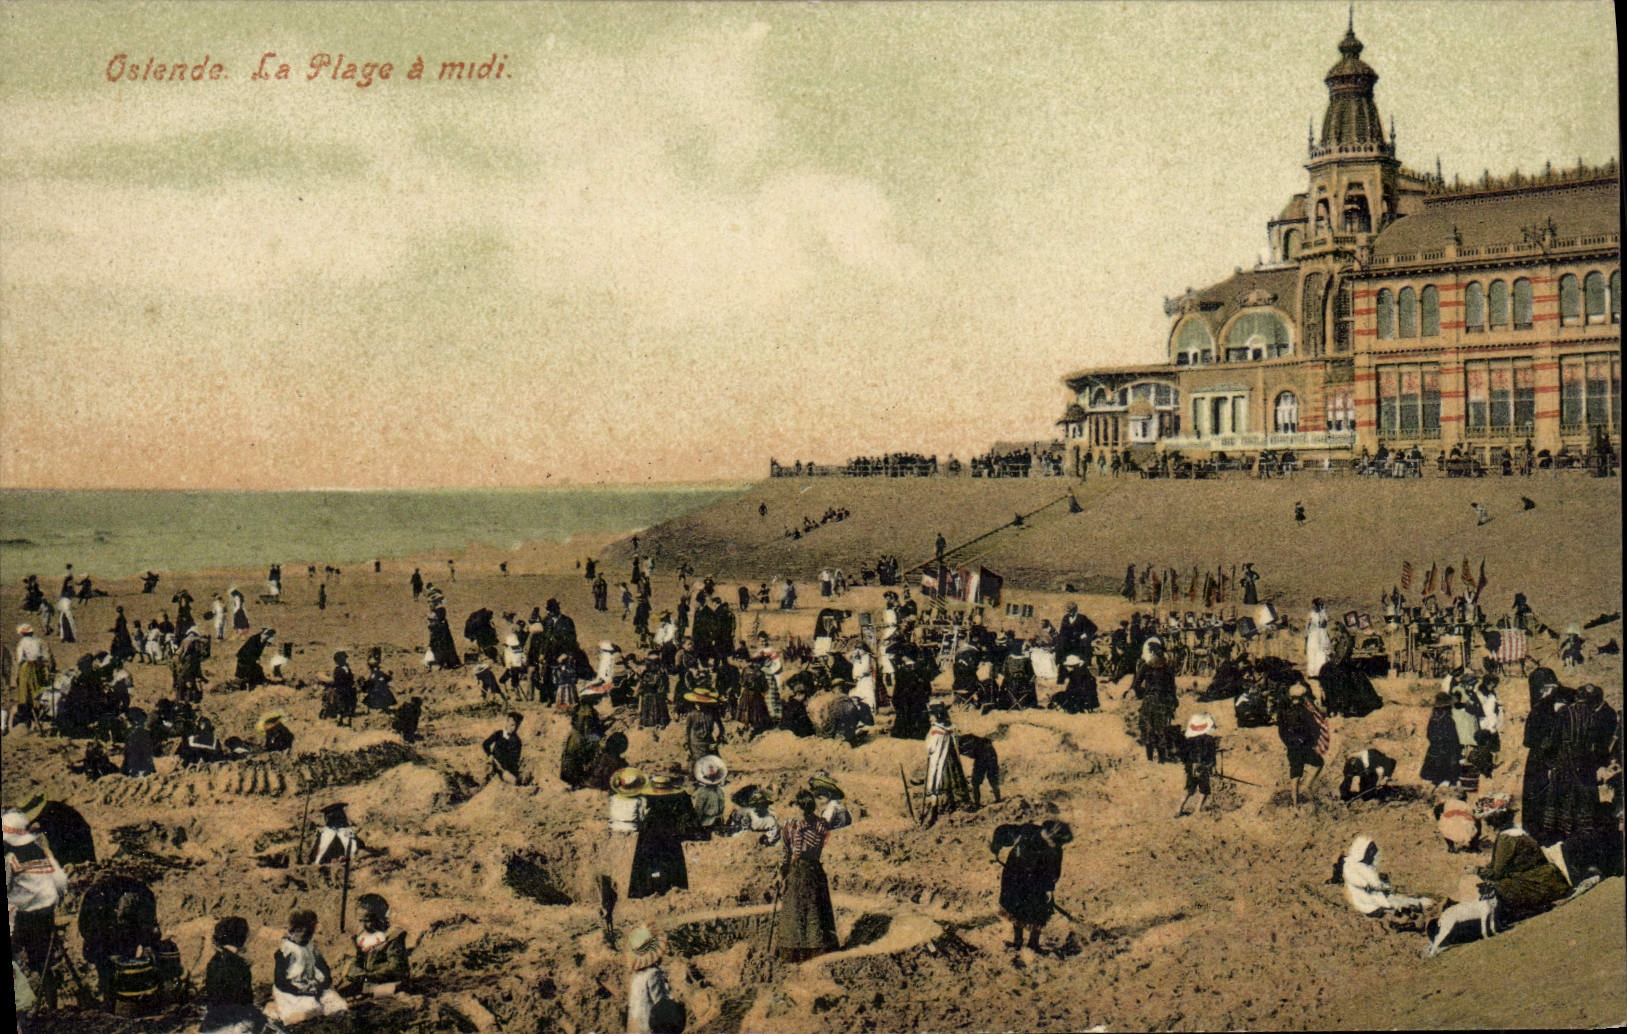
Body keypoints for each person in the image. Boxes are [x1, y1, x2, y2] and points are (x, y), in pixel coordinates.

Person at [5, 808, 69, 1010]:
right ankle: (52, 1006)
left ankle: (25, 1006)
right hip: (45, 917)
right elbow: (61, 883)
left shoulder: (11, 859)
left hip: (22, 919)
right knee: (43, 964)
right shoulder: (43, 853)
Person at [775, 789, 839, 962]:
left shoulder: (816, 825)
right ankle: (798, 953)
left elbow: (792, 851)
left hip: (807, 871)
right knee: (797, 912)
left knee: (811, 912)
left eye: (798, 806)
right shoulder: (793, 825)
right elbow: (787, 851)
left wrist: (785, 869)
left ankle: (813, 953)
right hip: (804, 871)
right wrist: (783, 871)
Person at [990, 820, 1072, 953]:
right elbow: (1003, 831)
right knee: (1017, 909)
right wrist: (996, 846)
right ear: (1051, 835)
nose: (1059, 846)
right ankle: (1018, 941)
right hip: (1015, 878)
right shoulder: (1027, 832)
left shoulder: (1055, 849)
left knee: (1039, 911)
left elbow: (1054, 871)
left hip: (1038, 883)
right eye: (1059, 842)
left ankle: (1033, 944)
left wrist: (1049, 888)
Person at [271, 909, 346, 1024]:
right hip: (292, 990)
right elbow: (280, 981)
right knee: (309, 1009)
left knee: (337, 1004)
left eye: (310, 934)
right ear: (294, 931)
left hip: (312, 987)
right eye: (303, 934)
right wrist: (300, 990)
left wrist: (322, 984)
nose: (307, 937)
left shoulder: (311, 947)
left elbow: (324, 969)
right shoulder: (286, 950)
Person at [628, 774, 693, 899]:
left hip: (651, 828)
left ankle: (646, 888)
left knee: (647, 858)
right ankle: (671, 885)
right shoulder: (673, 799)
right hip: (669, 827)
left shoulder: (650, 800)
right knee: (670, 858)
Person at [1340, 836, 1432, 921]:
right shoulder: (1364, 869)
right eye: (1371, 851)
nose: (1373, 854)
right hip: (1372, 905)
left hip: (1362, 903)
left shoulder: (1349, 864)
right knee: (1403, 901)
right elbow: (1378, 887)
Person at [199, 916, 259, 1034]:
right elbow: (243, 1000)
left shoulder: (215, 960)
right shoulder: (239, 964)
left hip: (211, 1024)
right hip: (230, 1025)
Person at [341, 894, 410, 996]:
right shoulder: (363, 935)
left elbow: (397, 968)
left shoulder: (393, 936)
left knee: (395, 989)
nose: (364, 925)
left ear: (380, 918)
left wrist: (369, 976)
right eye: (361, 921)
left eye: (368, 921)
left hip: (387, 981)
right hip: (368, 981)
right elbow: (357, 960)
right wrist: (355, 971)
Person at [922, 704, 975, 826]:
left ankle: (939, 806)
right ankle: (960, 801)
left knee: (939, 781)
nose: (930, 718)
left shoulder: (935, 731)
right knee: (955, 778)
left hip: (939, 761)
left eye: (932, 715)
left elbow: (930, 747)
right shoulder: (951, 728)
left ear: (937, 716)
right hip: (952, 759)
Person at [1277, 681, 1327, 806]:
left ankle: (1295, 801)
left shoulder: (1283, 712)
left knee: (1295, 773)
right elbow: (1315, 728)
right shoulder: (1305, 711)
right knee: (1318, 763)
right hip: (1304, 746)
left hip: (1293, 747)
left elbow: (1282, 732)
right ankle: (1305, 789)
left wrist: (1289, 742)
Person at [625, 925, 680, 1034]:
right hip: (648, 1026)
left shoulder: (636, 977)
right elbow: (660, 1002)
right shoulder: (653, 974)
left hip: (635, 1026)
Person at [1132, 639, 1178, 763]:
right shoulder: (1167, 667)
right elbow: (1172, 688)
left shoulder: (1146, 666)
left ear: (1151, 652)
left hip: (1149, 701)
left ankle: (1150, 759)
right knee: (1161, 729)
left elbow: (1136, 685)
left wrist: (1143, 694)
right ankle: (1162, 759)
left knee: (1147, 729)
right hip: (1163, 702)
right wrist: (1173, 702)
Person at [1177, 713, 1218, 817]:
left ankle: (1179, 809)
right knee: (1204, 789)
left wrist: (1189, 767)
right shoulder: (1209, 741)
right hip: (1202, 767)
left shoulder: (1189, 741)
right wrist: (1211, 766)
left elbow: (1184, 756)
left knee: (1189, 789)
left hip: (1191, 767)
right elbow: (1210, 756)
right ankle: (1197, 810)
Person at [1420, 691, 1462, 789]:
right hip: (1448, 749)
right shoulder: (1448, 720)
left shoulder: (1433, 719)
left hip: (1435, 748)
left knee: (1435, 768)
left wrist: (1435, 742)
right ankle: (1450, 783)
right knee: (1449, 767)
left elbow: (1429, 734)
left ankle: (1436, 783)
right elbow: (1453, 736)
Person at [683, 690, 725, 764]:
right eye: (696, 703)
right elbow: (687, 730)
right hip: (696, 744)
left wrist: (718, 740)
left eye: (701, 703)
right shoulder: (691, 715)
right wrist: (687, 742)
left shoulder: (712, 713)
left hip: (709, 742)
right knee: (699, 764)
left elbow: (721, 728)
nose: (698, 705)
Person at [483, 712, 525, 785]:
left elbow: (513, 760)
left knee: (513, 781)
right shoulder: (499, 734)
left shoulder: (517, 741)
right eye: (512, 725)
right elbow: (485, 744)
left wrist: (502, 767)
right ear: (507, 722)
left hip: (506, 769)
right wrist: (490, 755)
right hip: (494, 763)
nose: (514, 728)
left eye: (517, 726)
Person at [691, 755, 727, 833]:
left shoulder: (719, 790)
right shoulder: (703, 792)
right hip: (707, 823)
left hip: (718, 821)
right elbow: (698, 810)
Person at [1304, 598, 1331, 680]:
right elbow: (1307, 625)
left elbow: (1324, 624)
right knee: (1312, 653)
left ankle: (1320, 672)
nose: (1314, 607)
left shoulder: (1324, 613)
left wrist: (1322, 615)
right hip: (1313, 636)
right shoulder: (1311, 614)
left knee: (1321, 653)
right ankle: (1311, 674)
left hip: (1321, 635)